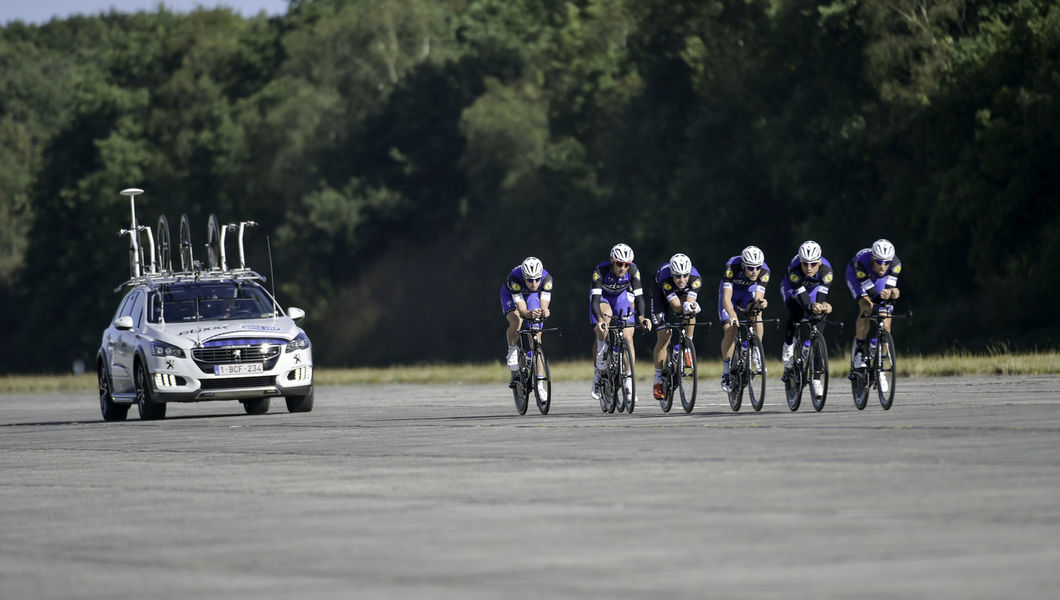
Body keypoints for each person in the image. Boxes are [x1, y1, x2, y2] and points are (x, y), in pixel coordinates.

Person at [590, 243, 652, 402]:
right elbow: (595, 300)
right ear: (612, 261)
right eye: (619, 264)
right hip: (602, 299)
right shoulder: (600, 271)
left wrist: (642, 317)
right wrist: (599, 320)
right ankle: (598, 370)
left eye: (626, 264)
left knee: (628, 337)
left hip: (620, 299)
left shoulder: (633, 271)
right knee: (605, 320)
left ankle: (629, 380)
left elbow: (639, 298)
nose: (623, 267)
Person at [845, 239, 903, 393]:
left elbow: (889, 292)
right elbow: (872, 295)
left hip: (878, 279)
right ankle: (859, 349)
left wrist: (893, 294)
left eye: (886, 262)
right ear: (872, 258)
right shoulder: (861, 263)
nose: (883, 266)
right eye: (879, 261)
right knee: (867, 306)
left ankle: (881, 367)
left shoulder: (896, 264)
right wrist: (884, 296)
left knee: (886, 315)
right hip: (857, 277)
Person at [779, 240, 834, 397]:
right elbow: (803, 299)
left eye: (813, 264)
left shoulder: (827, 271)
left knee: (818, 318)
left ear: (820, 262)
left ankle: (816, 378)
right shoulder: (795, 268)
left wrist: (824, 306)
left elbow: (821, 297)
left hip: (813, 289)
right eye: (805, 264)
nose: (809, 268)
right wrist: (811, 306)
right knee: (796, 312)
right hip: (792, 289)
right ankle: (788, 345)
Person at [649, 253, 702, 400]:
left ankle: (686, 347)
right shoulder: (665, 278)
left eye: (685, 276)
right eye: (678, 276)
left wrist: (692, 307)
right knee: (664, 335)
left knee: (690, 313)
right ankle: (658, 379)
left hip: (682, 295)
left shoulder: (695, 279)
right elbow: (677, 307)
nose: (682, 280)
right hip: (661, 294)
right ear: (672, 274)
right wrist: (687, 307)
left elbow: (689, 303)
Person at [718, 246, 770, 392]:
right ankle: (726, 369)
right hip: (731, 296)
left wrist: (761, 303)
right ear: (743, 265)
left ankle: (756, 352)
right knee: (731, 328)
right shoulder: (732, 267)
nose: (754, 271)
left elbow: (758, 298)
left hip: (748, 294)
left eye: (757, 267)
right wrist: (733, 316)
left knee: (757, 314)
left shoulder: (765, 272)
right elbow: (727, 299)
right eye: (750, 268)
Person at [501, 257, 552, 399]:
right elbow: (523, 311)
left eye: (537, 279)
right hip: (511, 295)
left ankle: (540, 383)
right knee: (516, 321)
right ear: (524, 277)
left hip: (531, 297)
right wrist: (529, 313)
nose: (534, 283)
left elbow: (544, 305)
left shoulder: (547, 279)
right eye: (530, 280)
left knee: (536, 331)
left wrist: (544, 311)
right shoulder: (514, 278)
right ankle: (512, 348)